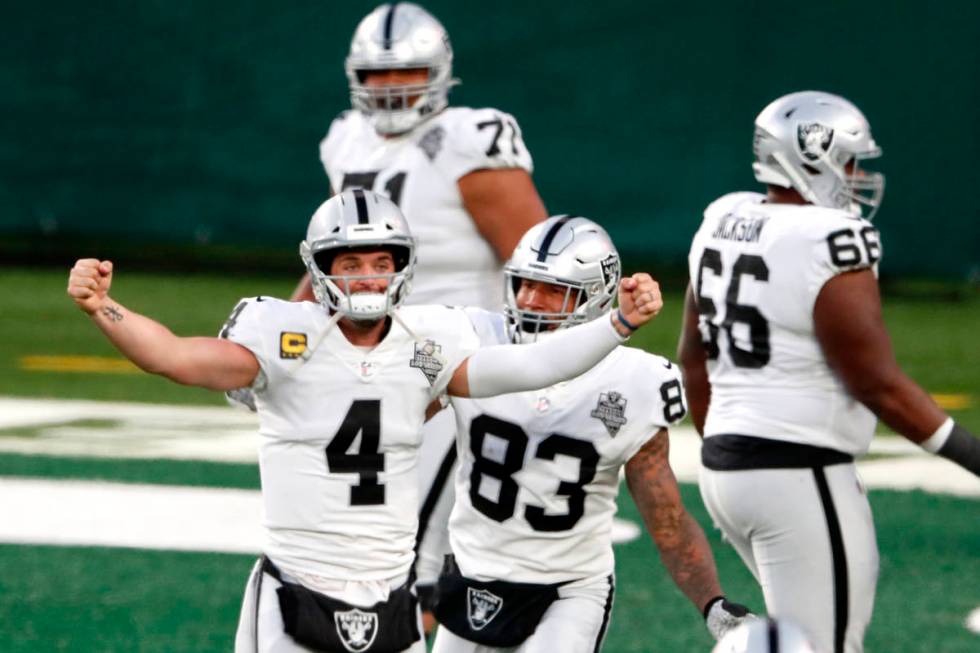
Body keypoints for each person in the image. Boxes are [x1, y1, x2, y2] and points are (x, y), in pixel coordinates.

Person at [67, 190, 662, 653]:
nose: (367, 277)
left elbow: (534, 364)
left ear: (404, 265)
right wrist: (104, 308)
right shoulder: (282, 333)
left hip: (389, 593)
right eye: (349, 262)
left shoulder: (427, 342)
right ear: (320, 266)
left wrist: (618, 325)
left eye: (382, 262)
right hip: (296, 580)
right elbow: (174, 357)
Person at [678, 90, 980, 653]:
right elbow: (876, 382)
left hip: (727, 470)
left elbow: (693, 362)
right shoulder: (834, 239)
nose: (857, 175)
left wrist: (729, 449)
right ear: (810, 154)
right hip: (798, 469)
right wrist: (973, 456)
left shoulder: (721, 218)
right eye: (849, 160)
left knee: (797, 643)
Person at [293, 2, 549, 615]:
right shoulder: (344, 139)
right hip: (366, 359)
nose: (388, 88)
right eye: (376, 75)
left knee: (421, 558)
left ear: (438, 72)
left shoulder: (469, 138)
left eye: (404, 72)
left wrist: (540, 371)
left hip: (455, 359)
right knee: (358, 539)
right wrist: (281, 327)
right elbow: (332, 258)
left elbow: (535, 262)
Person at [428, 216, 751, 653]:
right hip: (472, 572)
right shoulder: (473, 340)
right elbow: (397, 420)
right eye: (524, 284)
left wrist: (712, 603)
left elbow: (667, 520)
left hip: (566, 590)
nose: (530, 300)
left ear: (596, 298)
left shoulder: (633, 381)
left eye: (552, 290)